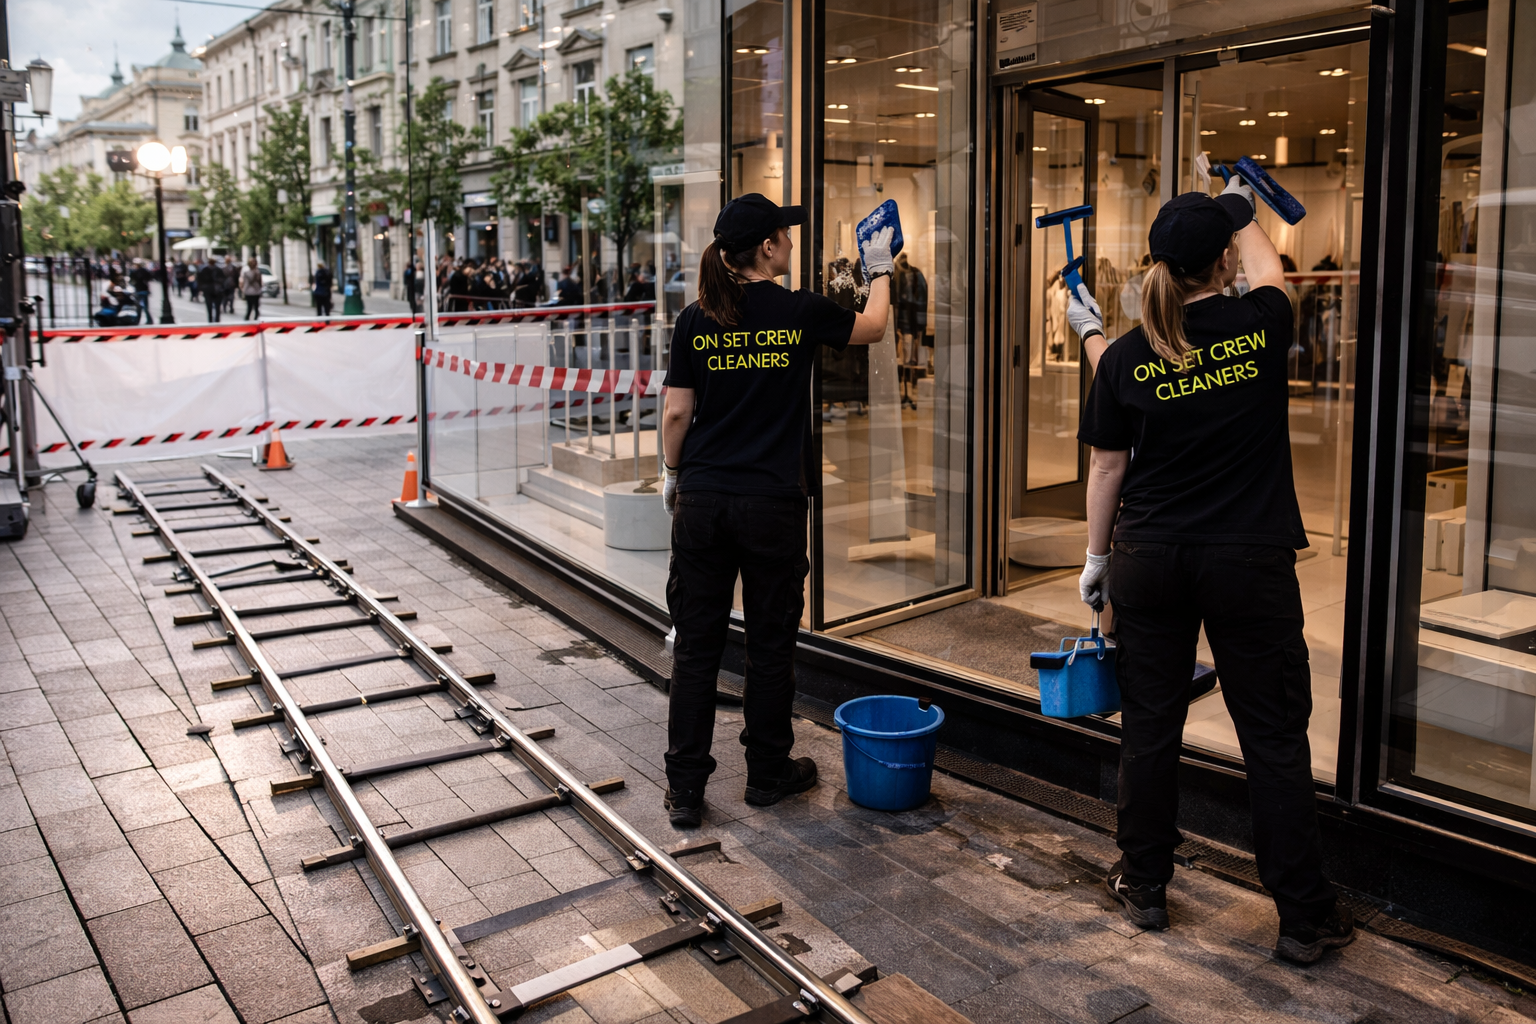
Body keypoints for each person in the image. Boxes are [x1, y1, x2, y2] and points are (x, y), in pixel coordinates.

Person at [1073, 178, 1354, 965]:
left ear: (1157, 266)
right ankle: (1303, 918)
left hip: (1150, 562)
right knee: (1271, 737)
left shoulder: (1126, 355)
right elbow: (1274, 273)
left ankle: (1146, 884)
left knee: (1152, 728)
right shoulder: (1259, 325)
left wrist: (1097, 562)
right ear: (1222, 260)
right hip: (1248, 563)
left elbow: (1106, 471)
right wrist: (1240, 201)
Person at [658, 193, 895, 828]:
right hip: (771, 504)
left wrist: (672, 474)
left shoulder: (694, 319)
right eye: (784, 236)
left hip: (704, 502)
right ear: (766, 248)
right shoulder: (797, 312)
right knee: (769, 645)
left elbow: (677, 412)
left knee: (697, 650)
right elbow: (871, 328)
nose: (790, 243)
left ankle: (685, 789)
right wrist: (882, 270)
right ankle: (767, 774)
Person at [196, 258, 223, 322]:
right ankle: (216, 319)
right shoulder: (218, 270)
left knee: (209, 306)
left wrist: (200, 289)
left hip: (209, 290)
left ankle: (210, 319)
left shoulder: (204, 270)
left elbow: (200, 280)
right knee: (217, 306)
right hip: (216, 290)